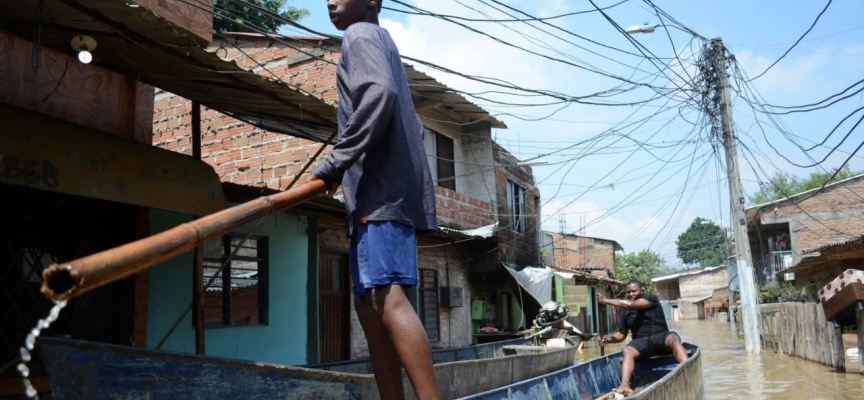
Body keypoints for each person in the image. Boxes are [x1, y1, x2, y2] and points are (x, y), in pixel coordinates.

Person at [311, 1, 440, 399]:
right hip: (383, 195)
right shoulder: (382, 41)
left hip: (379, 195)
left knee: (385, 298)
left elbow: (378, 94)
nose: (330, 1)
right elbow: (413, 127)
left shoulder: (360, 34)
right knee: (368, 305)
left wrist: (337, 161)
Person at [596, 280, 687, 396]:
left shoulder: (650, 298)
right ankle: (624, 385)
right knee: (627, 350)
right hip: (641, 342)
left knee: (674, 338)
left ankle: (687, 367)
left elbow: (631, 305)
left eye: (634, 291)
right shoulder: (625, 311)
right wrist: (608, 340)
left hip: (660, 337)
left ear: (641, 290)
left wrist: (606, 301)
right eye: (628, 292)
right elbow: (621, 334)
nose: (631, 294)